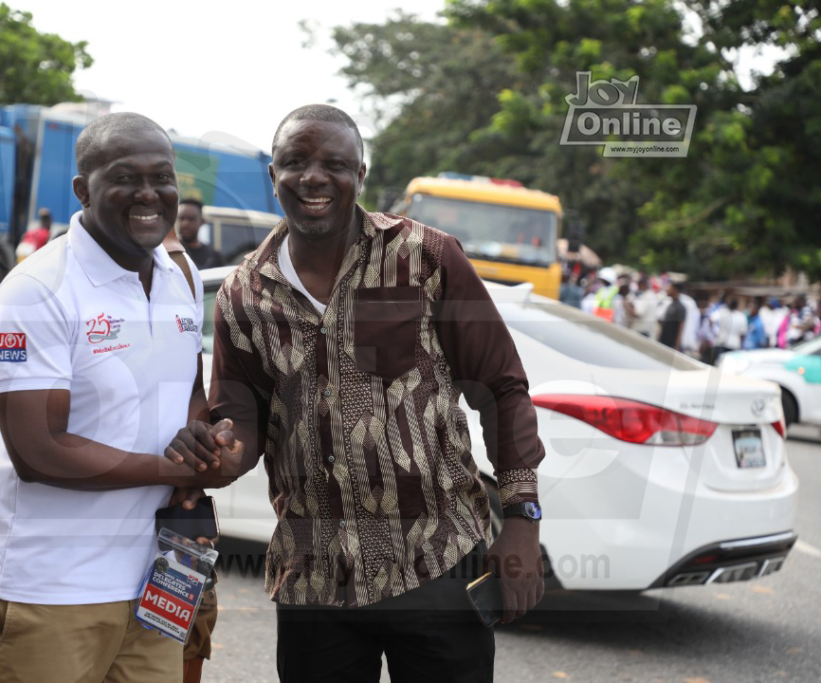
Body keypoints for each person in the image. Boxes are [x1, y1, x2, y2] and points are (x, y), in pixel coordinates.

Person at [178, 104, 546, 682]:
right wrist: (223, 450)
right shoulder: (243, 295)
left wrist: (522, 519)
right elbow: (241, 418)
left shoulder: (426, 259)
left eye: (334, 164)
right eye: (295, 162)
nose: (313, 177)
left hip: (436, 567)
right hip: (314, 578)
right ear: (273, 175)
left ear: (361, 174)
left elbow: (501, 386)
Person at [0, 112, 238, 683]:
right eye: (125, 177)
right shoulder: (37, 291)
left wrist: (200, 445)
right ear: (82, 189)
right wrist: (166, 469)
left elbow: (186, 387)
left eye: (162, 177)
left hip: (159, 581)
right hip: (53, 590)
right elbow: (38, 451)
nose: (149, 194)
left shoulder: (180, 278)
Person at [176, 198, 224, 269]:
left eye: (191, 219)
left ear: (202, 221)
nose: (185, 224)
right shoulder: (169, 252)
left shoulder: (214, 257)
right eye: (182, 218)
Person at [709, 298, 748, 363]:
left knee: (721, 365)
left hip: (727, 344)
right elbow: (743, 334)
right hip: (727, 344)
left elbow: (711, 319)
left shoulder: (724, 312)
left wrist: (714, 332)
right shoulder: (741, 316)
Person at [658, 282, 686, 351]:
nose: (668, 290)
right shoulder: (670, 304)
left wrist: (676, 346)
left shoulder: (680, 307)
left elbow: (680, 327)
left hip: (670, 345)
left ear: (675, 290)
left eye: (670, 288)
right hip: (663, 341)